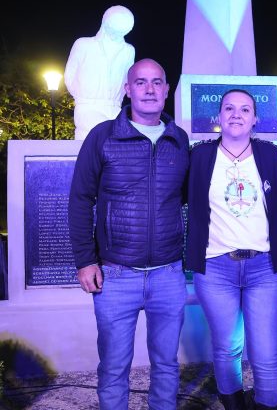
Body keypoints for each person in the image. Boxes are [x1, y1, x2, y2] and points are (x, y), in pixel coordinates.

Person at [68, 58, 189, 410]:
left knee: (166, 364)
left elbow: (184, 198)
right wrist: (85, 260)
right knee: (114, 367)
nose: (149, 90)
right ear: (127, 89)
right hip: (116, 276)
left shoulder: (179, 139)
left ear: (167, 90)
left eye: (156, 82)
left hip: (168, 274)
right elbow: (80, 198)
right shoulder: (103, 136)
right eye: (140, 82)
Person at [185, 89, 277, 410]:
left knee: (265, 352)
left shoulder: (269, 154)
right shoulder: (200, 156)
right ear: (219, 116)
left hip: (265, 268)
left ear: (255, 118)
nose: (236, 114)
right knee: (227, 347)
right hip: (216, 268)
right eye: (229, 108)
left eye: (245, 109)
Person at [64, 5, 135, 140]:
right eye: (114, 30)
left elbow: (128, 79)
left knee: (128, 136)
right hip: (88, 106)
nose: (117, 35)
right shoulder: (83, 44)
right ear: (105, 23)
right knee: (105, 131)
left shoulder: (128, 51)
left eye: (122, 32)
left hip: (115, 107)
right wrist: (83, 97)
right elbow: (69, 76)